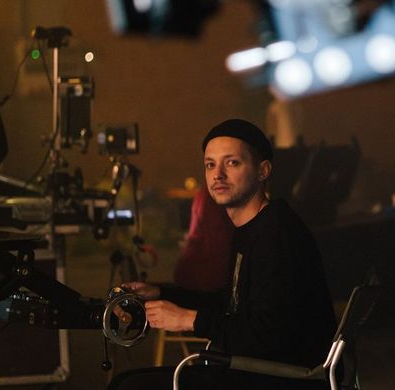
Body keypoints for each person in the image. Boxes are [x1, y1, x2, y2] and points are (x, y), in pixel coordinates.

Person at [109, 119, 336, 390]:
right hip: (256, 368)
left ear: (263, 170)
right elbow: (231, 304)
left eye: (232, 163)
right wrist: (162, 293)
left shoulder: (276, 234)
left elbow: (268, 333)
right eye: (210, 164)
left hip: (280, 376)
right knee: (126, 381)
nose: (218, 175)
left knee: (129, 387)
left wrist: (187, 319)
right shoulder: (253, 228)